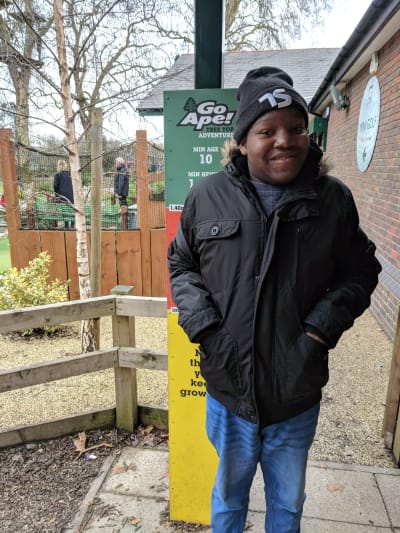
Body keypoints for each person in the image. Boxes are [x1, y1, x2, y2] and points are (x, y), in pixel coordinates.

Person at [168, 66, 381, 533]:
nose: (284, 140)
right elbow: (182, 265)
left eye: (296, 128)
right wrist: (207, 330)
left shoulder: (332, 200)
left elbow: (362, 270)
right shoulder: (206, 196)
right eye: (267, 131)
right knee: (228, 498)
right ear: (243, 141)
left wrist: (318, 332)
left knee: (287, 504)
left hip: (295, 392)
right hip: (228, 389)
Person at [53, 159, 74, 229]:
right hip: (72, 195)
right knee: (72, 209)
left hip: (62, 195)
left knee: (64, 210)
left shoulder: (57, 175)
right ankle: (73, 225)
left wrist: (56, 195)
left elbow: (55, 186)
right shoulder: (70, 174)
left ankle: (66, 225)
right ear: (66, 165)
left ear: (58, 166)